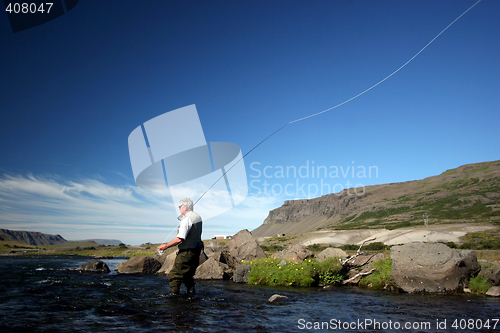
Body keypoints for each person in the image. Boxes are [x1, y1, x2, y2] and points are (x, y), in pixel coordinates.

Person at [158, 198, 203, 295]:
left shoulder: (186, 219)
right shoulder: (198, 217)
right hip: (196, 251)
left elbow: (180, 238)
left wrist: (165, 246)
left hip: (186, 252)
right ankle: (191, 296)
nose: (179, 208)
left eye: (179, 207)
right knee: (188, 275)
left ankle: (173, 298)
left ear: (185, 207)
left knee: (174, 275)